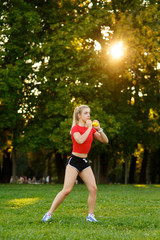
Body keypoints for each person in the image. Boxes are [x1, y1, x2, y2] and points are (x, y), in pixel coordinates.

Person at [42, 105, 109, 223]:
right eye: (86, 113)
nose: (89, 115)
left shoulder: (91, 129)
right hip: (74, 161)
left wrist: (99, 129)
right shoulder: (75, 129)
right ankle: (49, 213)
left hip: (84, 162)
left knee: (93, 188)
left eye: (89, 113)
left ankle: (90, 215)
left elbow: (105, 140)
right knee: (67, 190)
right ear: (79, 115)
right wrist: (89, 128)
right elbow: (80, 140)